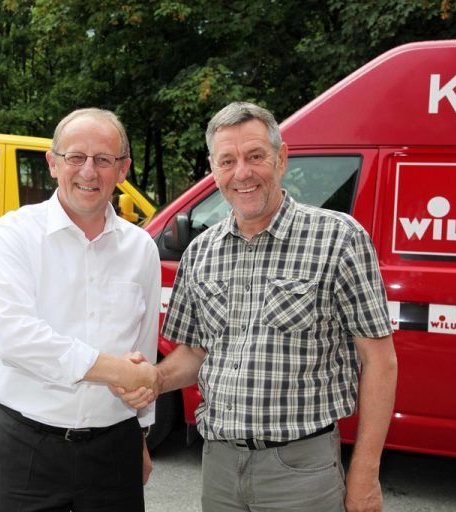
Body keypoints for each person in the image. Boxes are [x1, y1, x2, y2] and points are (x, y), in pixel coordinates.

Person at [120, 102, 397, 512]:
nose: (242, 173)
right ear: (214, 169)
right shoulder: (201, 251)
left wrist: (365, 473)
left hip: (301, 470)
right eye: (227, 161)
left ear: (281, 158)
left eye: (255, 156)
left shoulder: (339, 239)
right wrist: (155, 380)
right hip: (219, 466)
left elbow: (380, 362)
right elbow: (195, 353)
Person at [0, 108, 161, 512]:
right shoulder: (11, 235)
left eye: (104, 160)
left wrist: (142, 434)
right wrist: (115, 370)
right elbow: (15, 338)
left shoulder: (141, 249)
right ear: (53, 163)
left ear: (123, 169)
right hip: (25, 449)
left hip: (115, 450)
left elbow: (143, 349)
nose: (89, 171)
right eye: (76, 157)